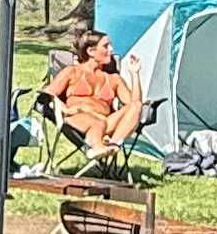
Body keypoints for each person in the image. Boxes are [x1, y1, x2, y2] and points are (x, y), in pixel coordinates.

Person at [51, 24, 146, 159]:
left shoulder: (113, 79)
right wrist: (64, 109)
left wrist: (135, 74)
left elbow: (134, 104)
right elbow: (47, 94)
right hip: (78, 119)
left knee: (136, 106)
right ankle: (96, 146)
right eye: (106, 46)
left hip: (107, 123)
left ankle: (112, 145)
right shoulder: (72, 72)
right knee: (97, 123)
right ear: (91, 51)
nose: (111, 50)